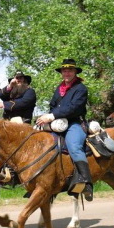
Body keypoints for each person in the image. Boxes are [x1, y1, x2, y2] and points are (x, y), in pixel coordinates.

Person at [36, 59, 92, 201]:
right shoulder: (59, 88)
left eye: (70, 70)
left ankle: (86, 182)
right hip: (58, 122)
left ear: (75, 72)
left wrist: (53, 115)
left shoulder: (80, 88)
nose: (67, 73)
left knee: (74, 146)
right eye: (64, 71)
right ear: (62, 73)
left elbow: (75, 108)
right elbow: (53, 105)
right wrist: (49, 117)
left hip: (74, 123)